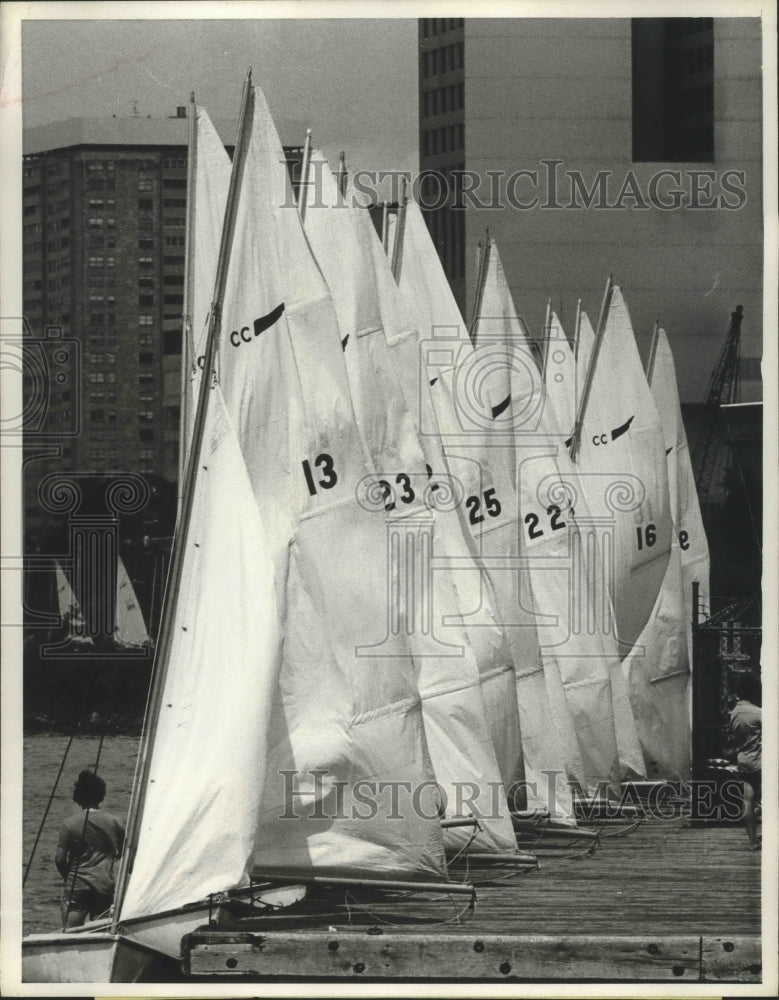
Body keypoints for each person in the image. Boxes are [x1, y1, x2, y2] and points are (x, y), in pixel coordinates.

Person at [55, 769, 125, 928]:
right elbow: (119, 853)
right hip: (104, 886)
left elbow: (59, 859)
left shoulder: (69, 824)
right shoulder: (115, 822)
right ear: (101, 795)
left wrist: (68, 876)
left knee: (70, 934)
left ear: (78, 796)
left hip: (76, 886)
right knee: (102, 931)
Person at [729, 672, 762, 850]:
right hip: (760, 761)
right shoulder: (758, 713)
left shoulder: (735, 712)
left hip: (744, 760)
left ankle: (752, 841)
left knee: (747, 801)